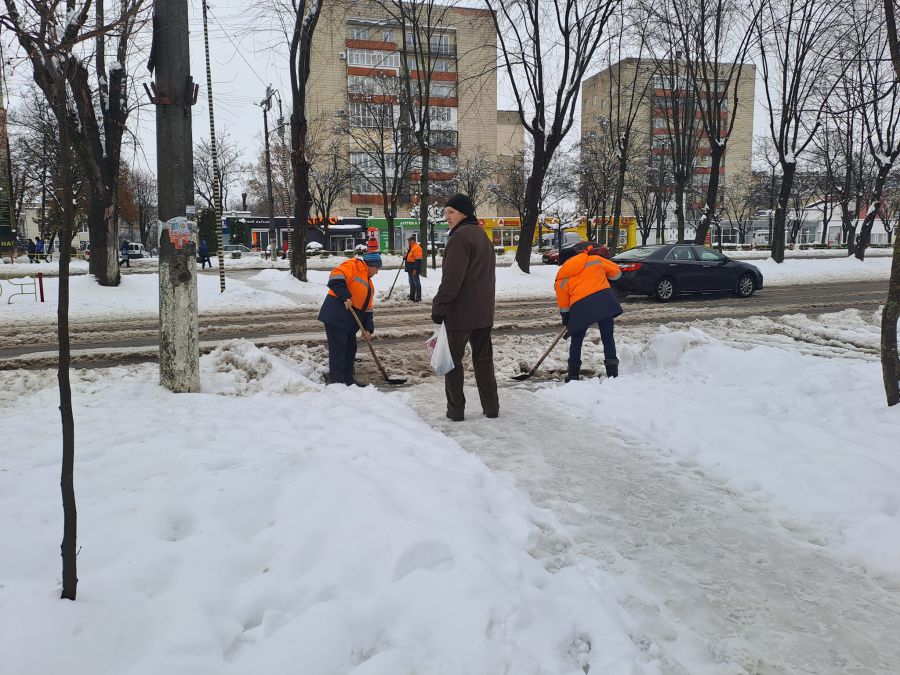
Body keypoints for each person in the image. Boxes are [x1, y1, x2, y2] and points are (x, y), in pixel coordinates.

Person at [431, 194, 499, 421]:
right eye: (446, 212)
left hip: (460, 315)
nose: (446, 216)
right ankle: (491, 408)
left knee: (452, 363)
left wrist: (440, 307)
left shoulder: (459, 238)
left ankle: (455, 411)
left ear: (464, 213)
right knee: (483, 361)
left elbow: (452, 279)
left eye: (451, 212)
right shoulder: (482, 235)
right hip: (483, 313)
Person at [554, 243, 623, 381]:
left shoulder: (561, 276)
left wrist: (566, 318)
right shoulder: (595, 260)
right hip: (604, 300)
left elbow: (564, 304)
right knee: (608, 337)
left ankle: (573, 375)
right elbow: (617, 274)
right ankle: (612, 374)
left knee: (576, 340)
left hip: (580, 308)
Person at [318, 251, 382, 385]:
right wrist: (345, 296)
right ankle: (338, 382)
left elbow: (368, 309)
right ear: (371, 265)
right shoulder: (354, 265)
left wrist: (368, 329)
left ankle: (348, 380)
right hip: (336, 316)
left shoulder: (369, 285)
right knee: (338, 350)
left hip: (349, 324)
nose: (377, 272)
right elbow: (335, 278)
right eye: (377, 268)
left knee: (350, 349)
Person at [404, 235, 423, 302]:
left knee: (416, 282)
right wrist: (406, 257)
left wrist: (415, 269)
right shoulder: (411, 248)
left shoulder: (417, 248)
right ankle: (412, 297)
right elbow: (411, 257)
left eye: (409, 240)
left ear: (413, 241)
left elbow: (418, 259)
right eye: (408, 241)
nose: (408, 242)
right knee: (411, 282)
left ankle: (418, 297)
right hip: (409, 266)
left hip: (414, 267)